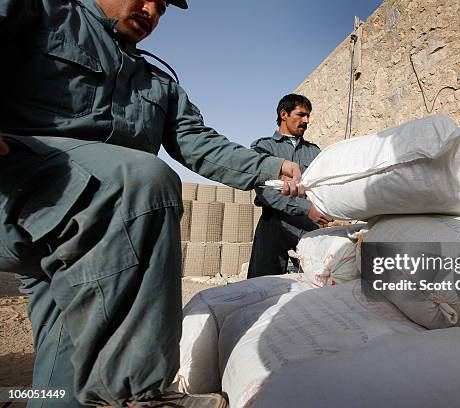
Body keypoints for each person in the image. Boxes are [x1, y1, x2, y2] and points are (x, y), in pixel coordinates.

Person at [0, 0, 304, 407]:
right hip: (19, 192)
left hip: (87, 235)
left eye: (161, 7)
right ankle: (136, 395)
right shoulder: (44, 13)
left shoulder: (158, 83)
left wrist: (272, 165)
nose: (151, 10)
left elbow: (200, 144)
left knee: (67, 362)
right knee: (143, 180)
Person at [248, 94, 332, 279]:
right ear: (284, 114)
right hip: (273, 226)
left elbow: (320, 188)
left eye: (308, 116)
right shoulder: (264, 148)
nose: (306, 120)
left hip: (307, 229)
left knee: (311, 285)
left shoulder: (314, 152)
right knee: (262, 285)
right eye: (301, 114)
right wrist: (306, 208)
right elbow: (266, 192)